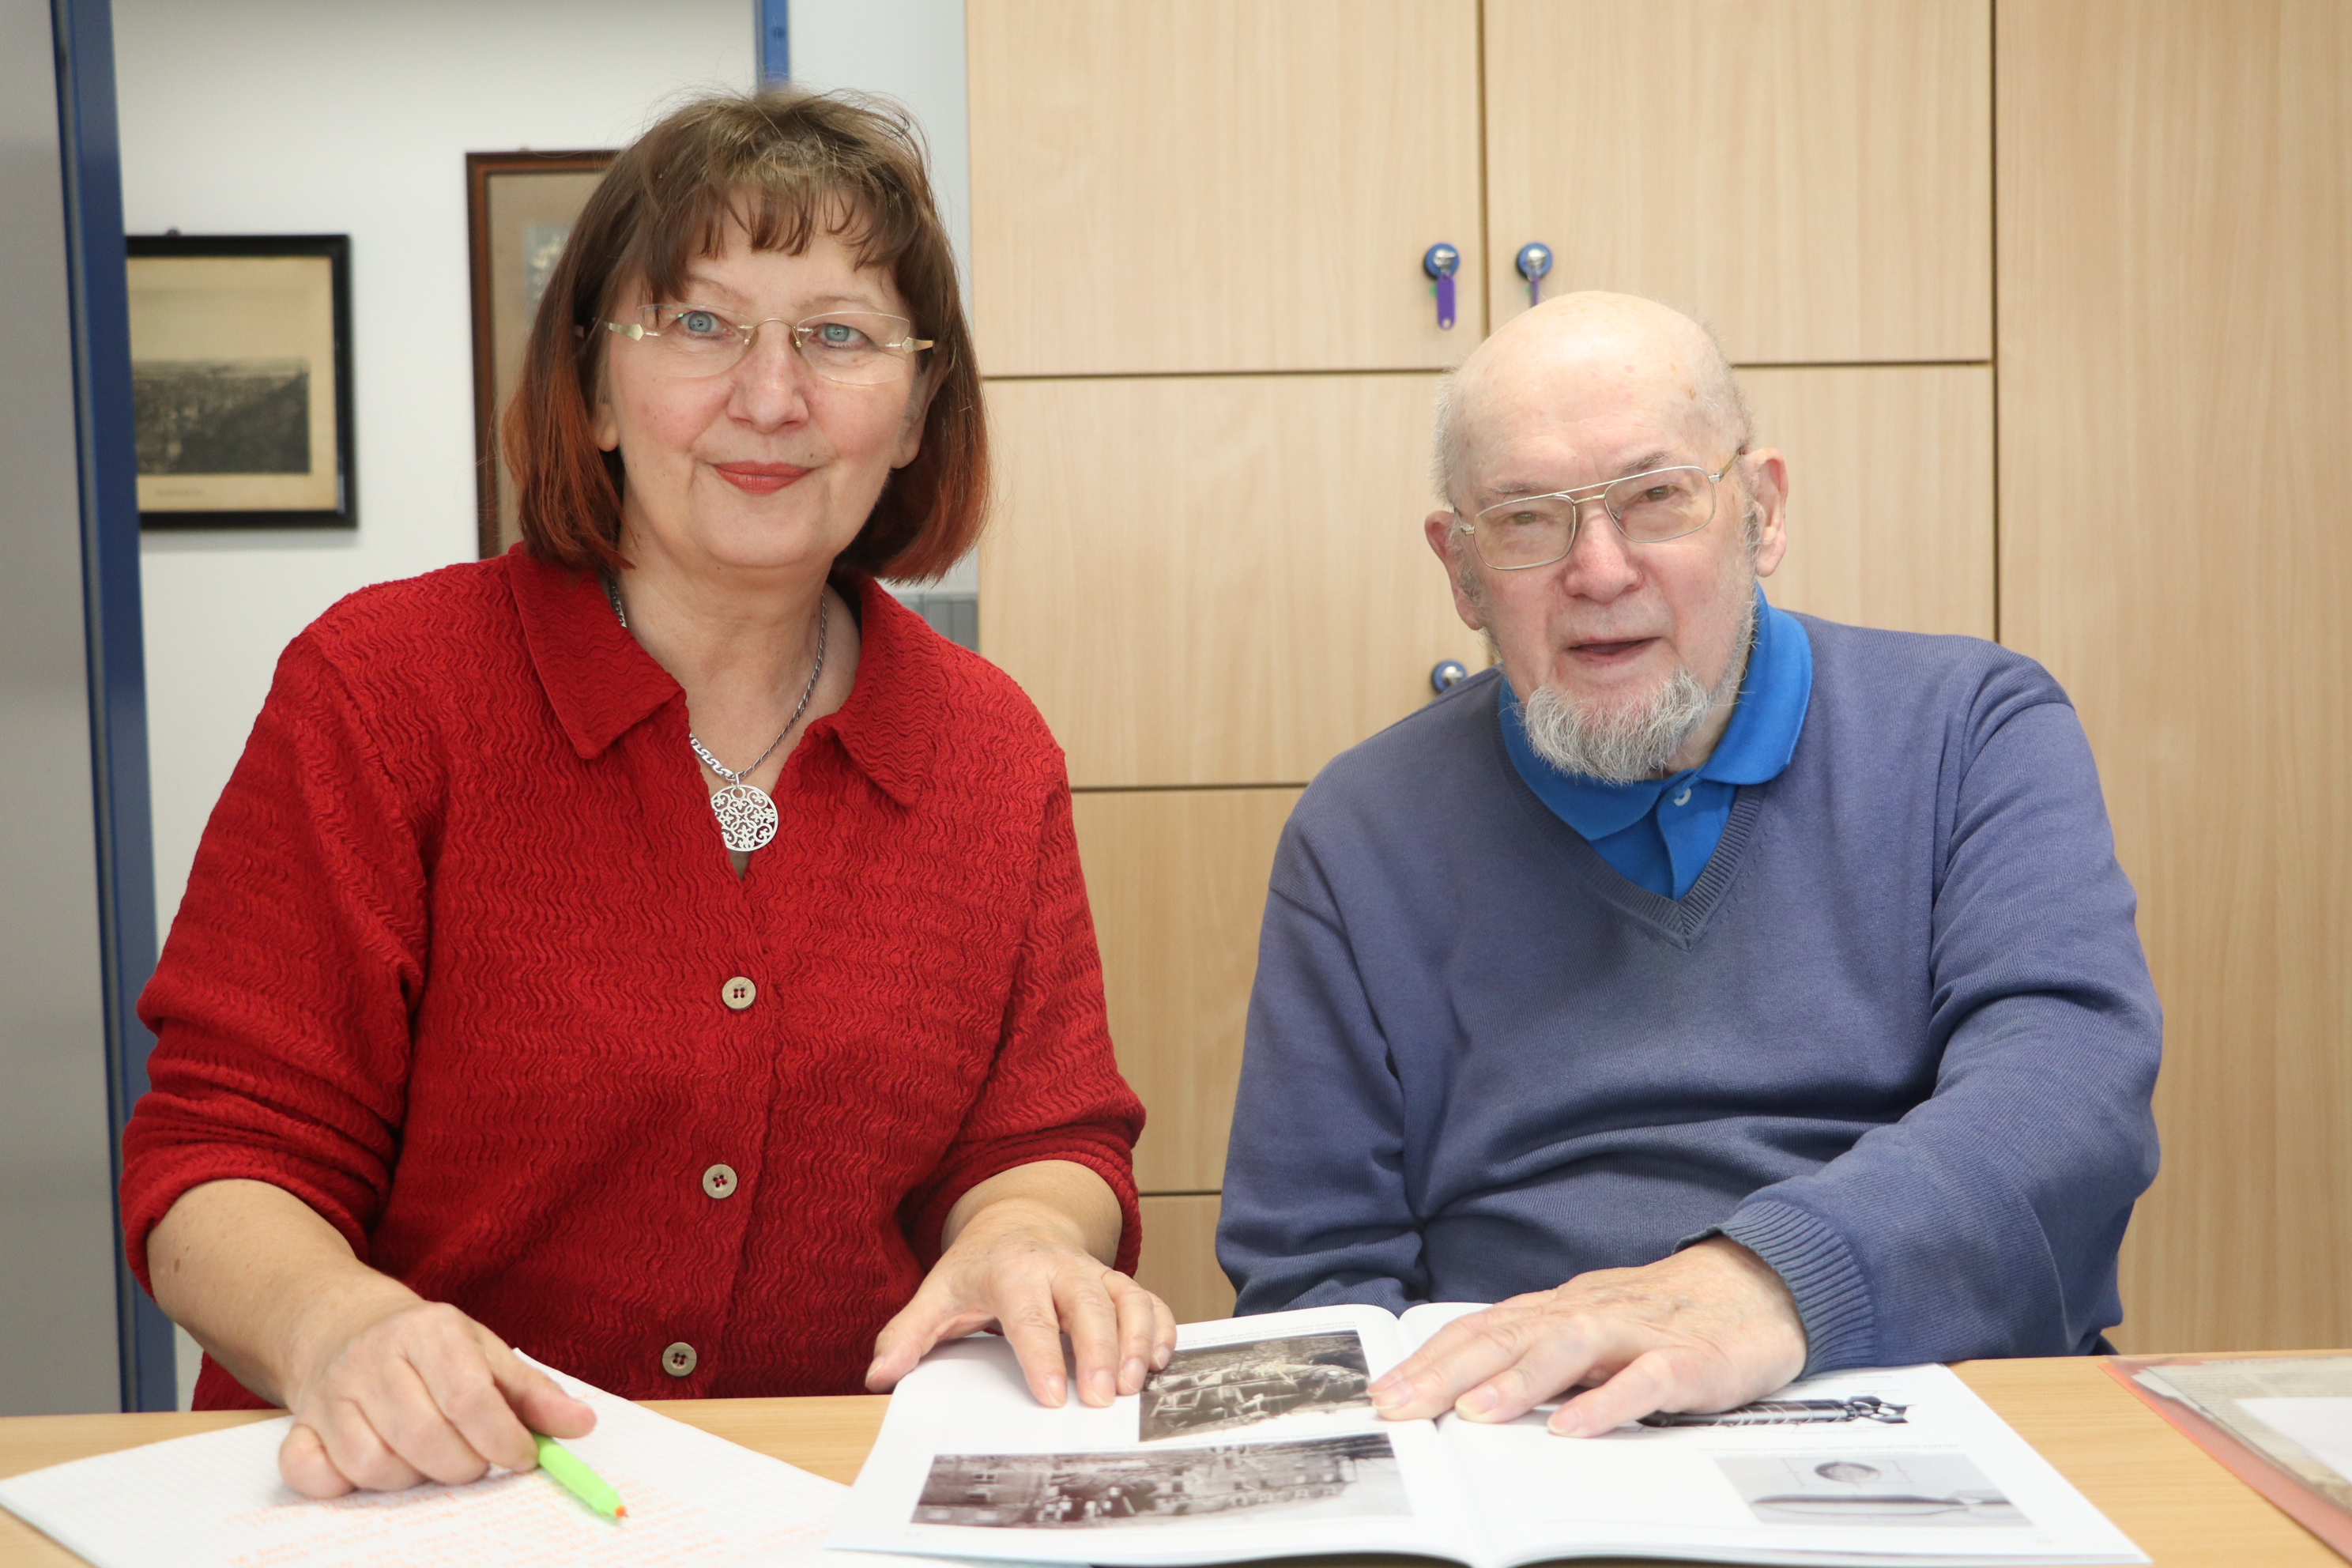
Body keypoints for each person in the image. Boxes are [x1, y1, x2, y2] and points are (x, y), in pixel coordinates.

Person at [122, 89, 1171, 1498]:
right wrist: (338, 1324)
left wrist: (1027, 1235)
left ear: (920, 409)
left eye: (841, 335)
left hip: (827, 1505)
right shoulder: (384, 691)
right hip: (417, 1501)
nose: (771, 396)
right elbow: (217, 1157)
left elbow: (1048, 1137)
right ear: (596, 386)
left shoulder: (988, 748)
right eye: (699, 324)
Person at [1216, 291, 2161, 1438]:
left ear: (1760, 510)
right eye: (1526, 520)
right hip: (1535, 1450)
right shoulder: (1357, 832)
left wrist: (1763, 1286)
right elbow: (1316, 1276)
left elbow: (2069, 1099)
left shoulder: (1973, 728)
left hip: (1929, 1408)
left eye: (1657, 497)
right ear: (1461, 571)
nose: (1601, 570)